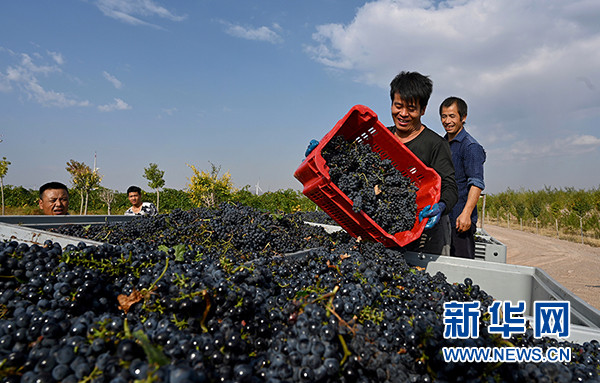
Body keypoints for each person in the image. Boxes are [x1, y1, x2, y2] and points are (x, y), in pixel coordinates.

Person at [387, 71, 458, 255]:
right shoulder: (381, 137)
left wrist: (441, 206)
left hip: (423, 233)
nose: (403, 113)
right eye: (398, 106)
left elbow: (450, 186)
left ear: (423, 110)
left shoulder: (436, 145)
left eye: (411, 108)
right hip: (385, 228)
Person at [440, 96, 486, 259]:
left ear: (463, 117)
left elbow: (476, 183)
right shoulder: (442, 144)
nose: (447, 121)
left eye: (452, 116)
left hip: (460, 221)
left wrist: (466, 213)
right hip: (443, 219)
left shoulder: (470, 146)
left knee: (462, 269)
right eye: (444, 116)